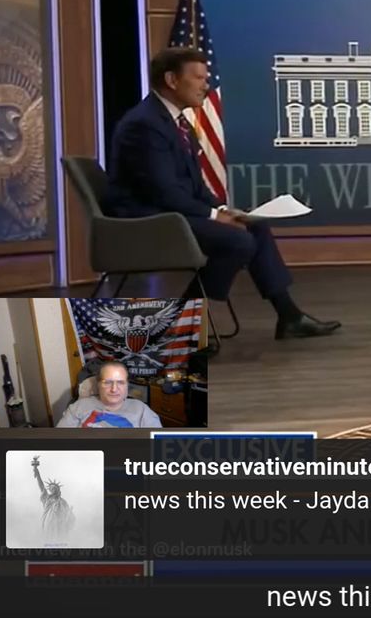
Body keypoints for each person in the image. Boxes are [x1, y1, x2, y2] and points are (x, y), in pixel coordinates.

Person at [106, 47, 340, 340]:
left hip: (172, 213)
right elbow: (163, 191)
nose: (206, 85)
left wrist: (223, 211)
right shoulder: (144, 124)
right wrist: (214, 216)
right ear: (172, 80)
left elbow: (194, 187)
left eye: (206, 78)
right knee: (236, 241)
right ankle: (180, 326)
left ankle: (290, 316)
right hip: (148, 221)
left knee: (254, 227)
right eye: (199, 78)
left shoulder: (177, 121)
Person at [56, 361, 162, 428]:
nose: (114, 389)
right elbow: (59, 442)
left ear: (127, 385)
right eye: (107, 382)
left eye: (120, 382)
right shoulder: (78, 407)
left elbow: (159, 447)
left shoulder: (141, 410)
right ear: (98, 384)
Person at [32, 455, 75, 542]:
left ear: (58, 490)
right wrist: (36, 469)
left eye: (54, 488)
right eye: (51, 488)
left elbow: (69, 515)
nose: (52, 489)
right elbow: (41, 485)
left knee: (59, 538)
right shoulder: (46, 497)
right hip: (47, 521)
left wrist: (70, 513)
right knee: (48, 538)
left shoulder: (63, 502)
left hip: (59, 524)